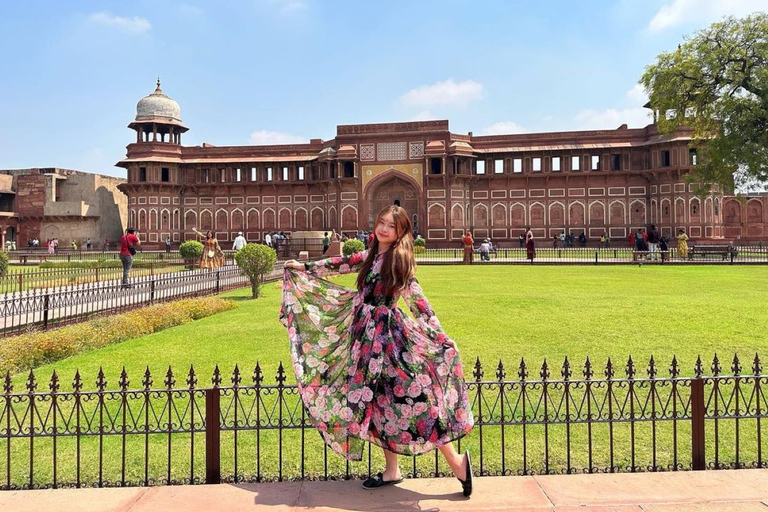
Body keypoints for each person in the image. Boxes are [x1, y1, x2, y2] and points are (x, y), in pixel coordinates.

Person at [280, 205, 474, 496]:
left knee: (414, 398)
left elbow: (418, 301)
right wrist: (304, 268)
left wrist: (441, 335)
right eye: (381, 223)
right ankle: (392, 470)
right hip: (365, 338)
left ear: (401, 233)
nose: (383, 229)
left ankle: (457, 463)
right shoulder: (372, 255)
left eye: (390, 226)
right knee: (379, 402)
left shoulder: (398, 260)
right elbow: (341, 263)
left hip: (390, 339)